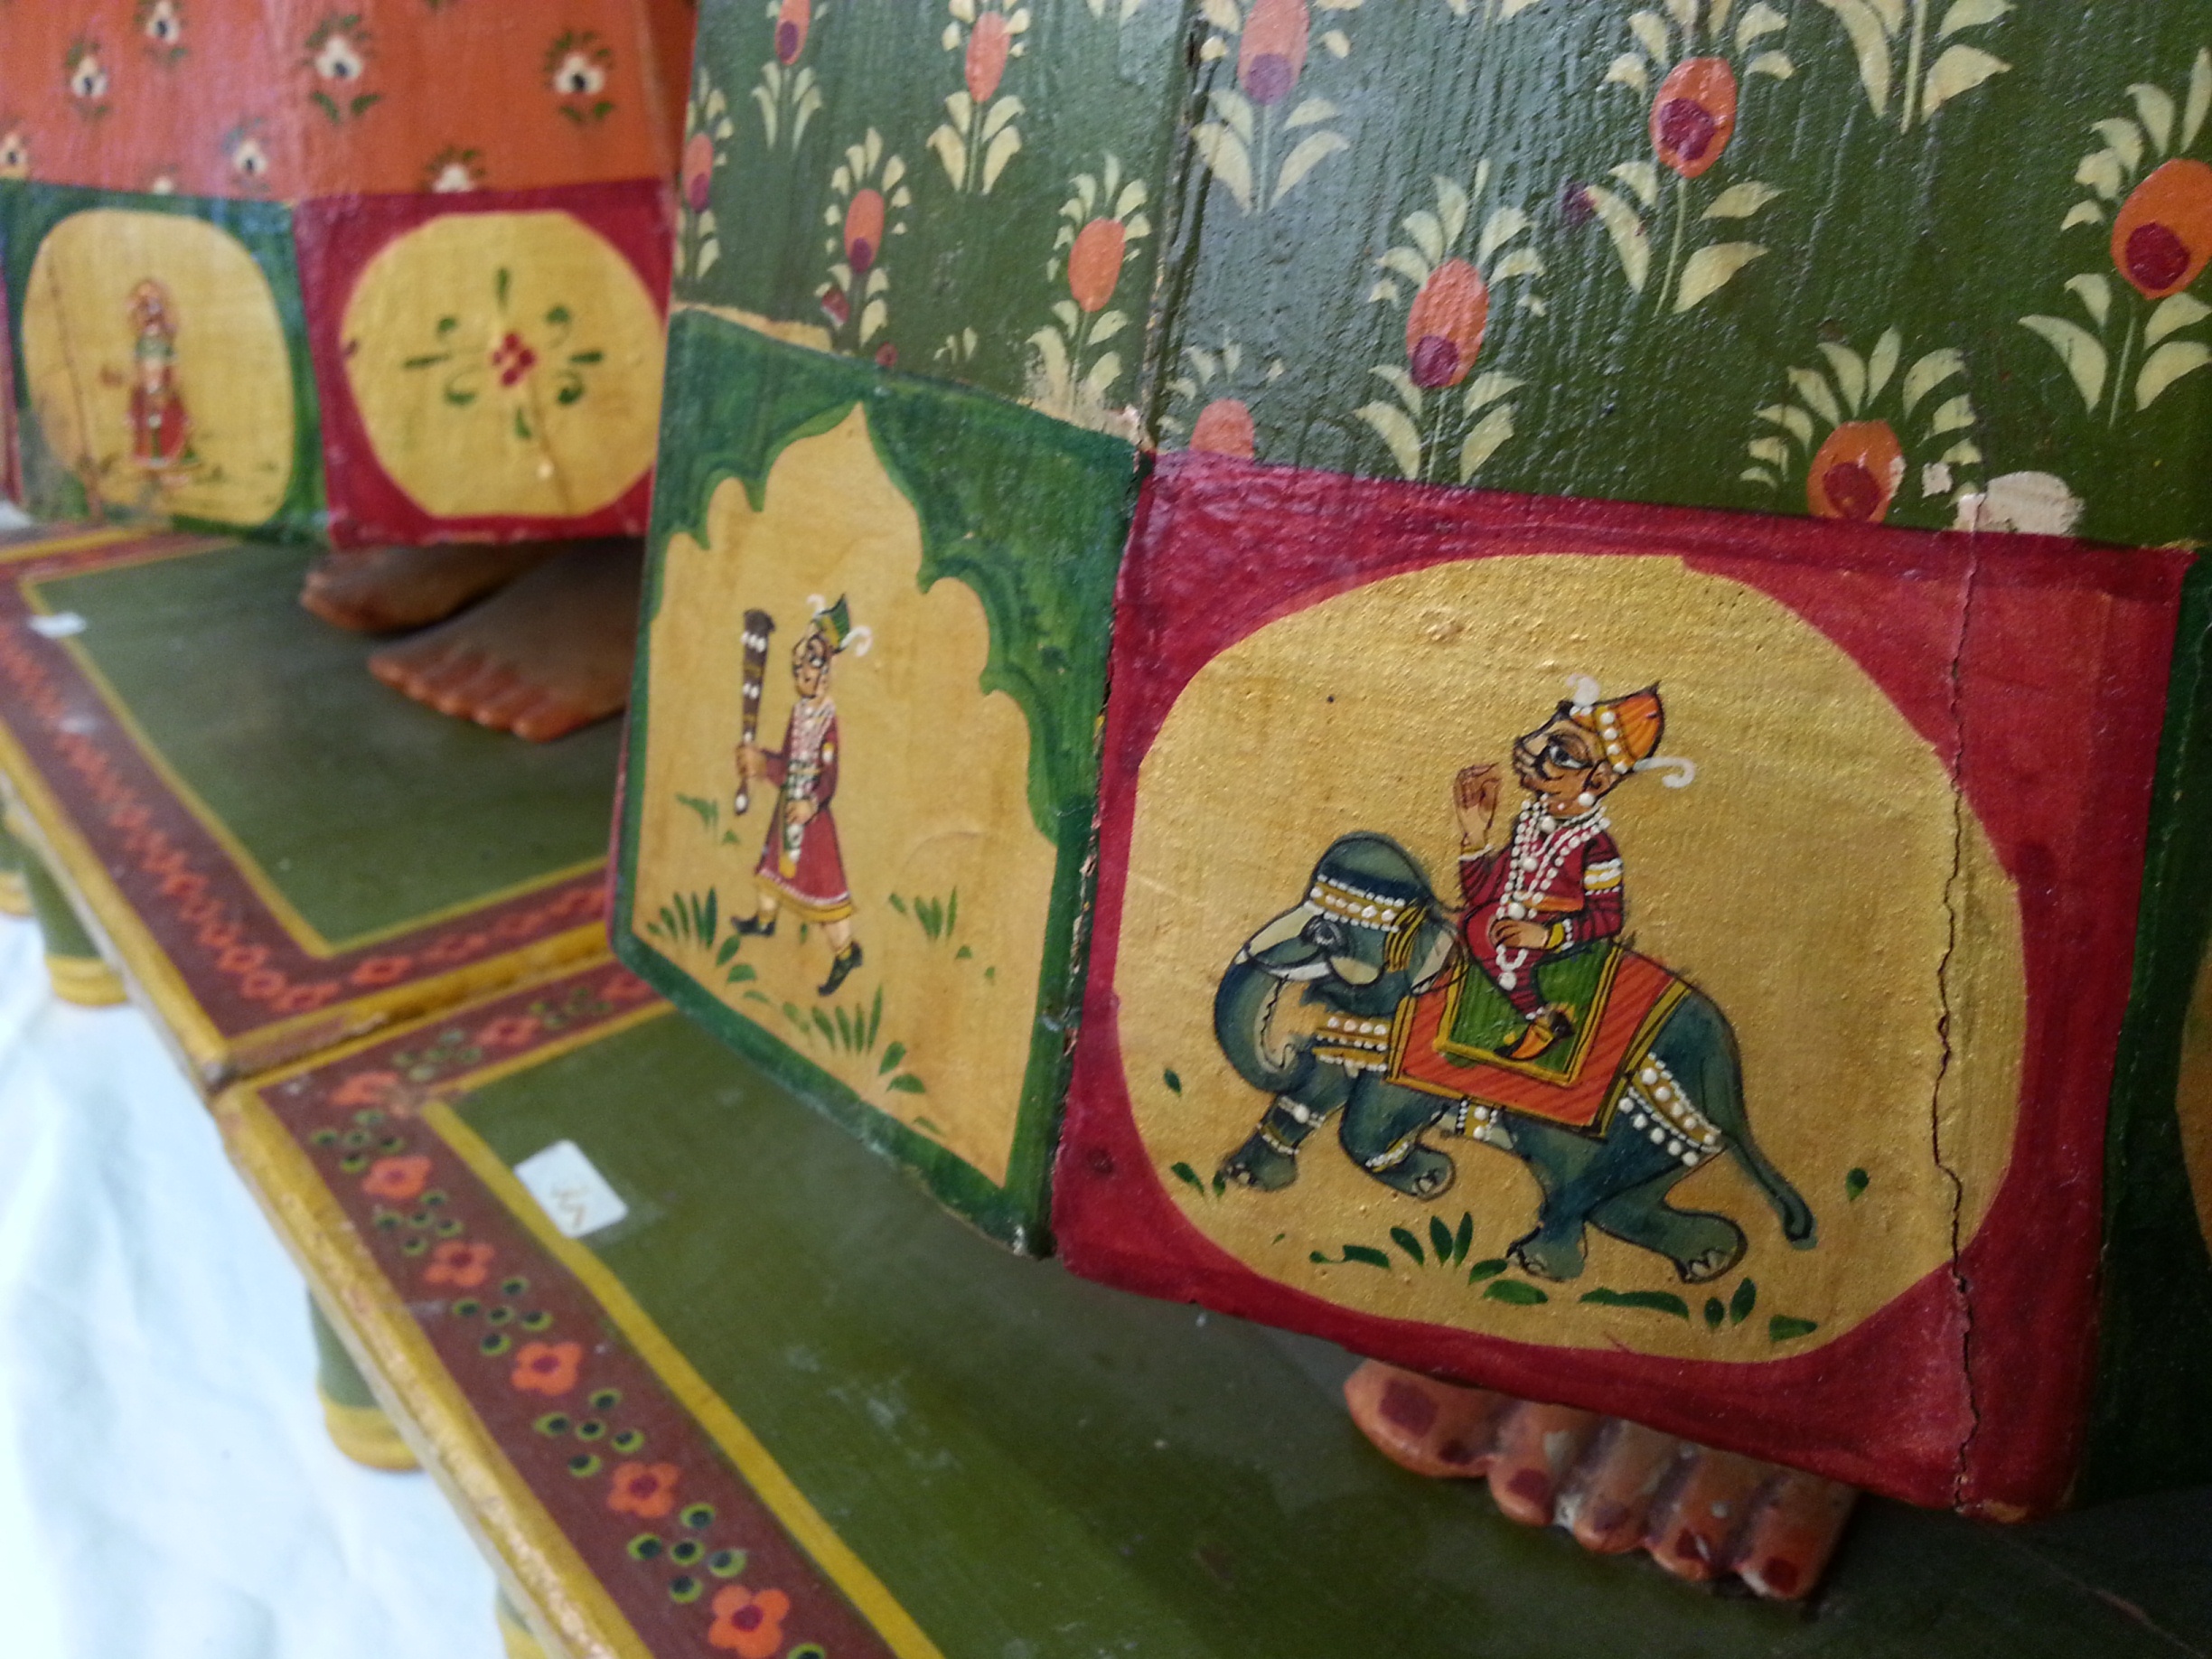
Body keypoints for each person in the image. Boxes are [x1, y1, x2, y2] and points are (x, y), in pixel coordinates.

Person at [1454, 684, 1663, 1062]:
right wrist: (1475, 834)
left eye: (1559, 753)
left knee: (1481, 926)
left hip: (1563, 937)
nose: (1529, 748)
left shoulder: (1596, 847)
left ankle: (1542, 1019)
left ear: (1598, 781)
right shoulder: (1531, 823)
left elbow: (1608, 917)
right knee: (1466, 922)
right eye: (1541, 736)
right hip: (1510, 921)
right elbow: (1483, 894)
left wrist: (1548, 936)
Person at [733, 597, 866, 996]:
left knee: (825, 894)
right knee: (770, 868)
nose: (802, 673)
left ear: (827, 671)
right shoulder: (798, 713)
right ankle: (765, 920)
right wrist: (761, 762)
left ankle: (845, 953)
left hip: (812, 817)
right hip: (787, 807)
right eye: (798, 667)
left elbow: (829, 777)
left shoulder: (828, 721)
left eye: (810, 664)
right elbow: (789, 761)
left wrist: (811, 803)